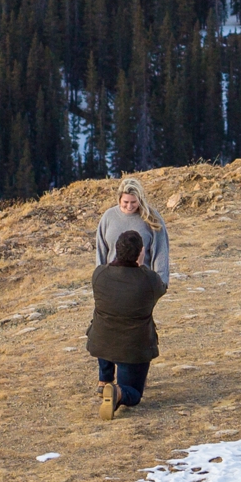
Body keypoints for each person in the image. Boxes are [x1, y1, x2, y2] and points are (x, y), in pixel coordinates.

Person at [87, 229, 167, 420]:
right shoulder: (149, 280)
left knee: (106, 330)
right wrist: (142, 266)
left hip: (101, 341)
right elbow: (161, 289)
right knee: (134, 392)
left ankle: (104, 380)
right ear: (141, 252)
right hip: (133, 347)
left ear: (116, 249)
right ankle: (119, 392)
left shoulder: (99, 275)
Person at [96, 177, 171, 284]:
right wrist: (100, 280)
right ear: (119, 199)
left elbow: (160, 253)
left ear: (140, 199)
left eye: (134, 202)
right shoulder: (108, 217)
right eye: (125, 202)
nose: (130, 206)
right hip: (113, 283)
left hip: (142, 284)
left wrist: (161, 284)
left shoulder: (152, 218)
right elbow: (101, 251)